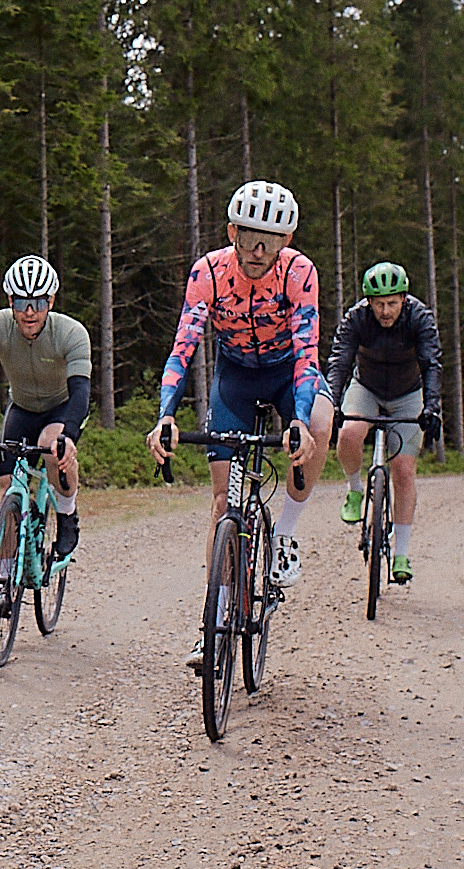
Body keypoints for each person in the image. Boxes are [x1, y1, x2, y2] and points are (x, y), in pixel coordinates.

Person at [144, 180, 334, 669]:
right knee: (221, 503)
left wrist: (298, 420)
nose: (256, 250)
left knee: (319, 418)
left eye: (269, 241)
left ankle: (286, 534)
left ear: (286, 241)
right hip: (234, 376)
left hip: (287, 372)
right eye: (248, 237)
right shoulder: (207, 271)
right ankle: (216, 622)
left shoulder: (299, 272)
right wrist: (165, 414)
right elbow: (183, 346)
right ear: (231, 231)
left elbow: (308, 351)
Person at [0, 254, 91, 562]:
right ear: (10, 300)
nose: (29, 312)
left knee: (52, 449)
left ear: (51, 301)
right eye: (21, 302)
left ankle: (67, 515)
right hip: (22, 408)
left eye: (38, 303)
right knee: (6, 487)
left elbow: (81, 390)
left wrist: (69, 436)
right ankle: (3, 574)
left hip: (61, 408)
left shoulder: (71, 332)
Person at [326, 261, 443, 584]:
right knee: (349, 434)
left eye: (392, 303)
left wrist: (432, 407)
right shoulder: (357, 319)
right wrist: (333, 403)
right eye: (379, 304)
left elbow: (431, 363)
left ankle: (401, 553)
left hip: (408, 392)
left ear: (404, 299)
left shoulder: (419, 318)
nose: (386, 311)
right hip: (367, 387)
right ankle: (354, 490)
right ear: (368, 302)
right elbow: (340, 361)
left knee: (403, 471)